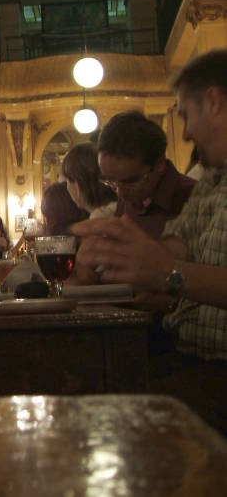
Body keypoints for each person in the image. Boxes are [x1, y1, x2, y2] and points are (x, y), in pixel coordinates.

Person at [72, 49, 227, 435]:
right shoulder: (213, 179)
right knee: (81, 387)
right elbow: (180, 244)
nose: (186, 133)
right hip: (192, 358)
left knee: (101, 416)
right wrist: (122, 252)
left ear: (214, 102)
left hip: (218, 373)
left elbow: (171, 268)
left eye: (186, 115)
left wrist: (168, 276)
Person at [97, 110, 196, 238]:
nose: (120, 193)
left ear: (159, 163)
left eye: (131, 182)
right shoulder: (129, 193)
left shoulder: (194, 199)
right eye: (111, 181)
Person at [62, 142, 116, 219]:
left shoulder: (101, 219)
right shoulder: (117, 208)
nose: (67, 187)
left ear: (78, 182)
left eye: (68, 180)